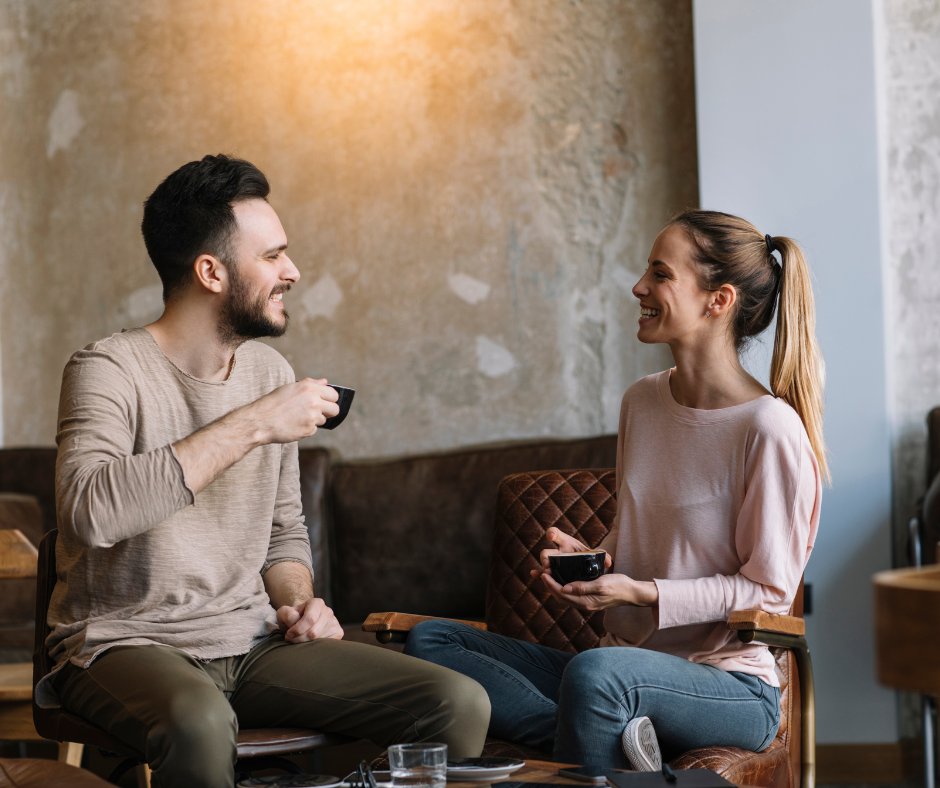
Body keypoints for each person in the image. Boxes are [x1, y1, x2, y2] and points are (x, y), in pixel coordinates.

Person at [37, 155, 490, 788]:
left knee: (457, 703)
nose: (292, 272)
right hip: (122, 643)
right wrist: (254, 422)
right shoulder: (107, 369)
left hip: (249, 643)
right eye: (273, 256)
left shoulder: (269, 374)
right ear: (211, 272)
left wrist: (301, 605)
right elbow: (88, 513)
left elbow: (281, 533)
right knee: (198, 723)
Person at [404, 210, 824, 770]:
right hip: (625, 665)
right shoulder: (643, 402)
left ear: (717, 300)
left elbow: (769, 594)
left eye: (660, 273)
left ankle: (601, 719)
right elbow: (644, 531)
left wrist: (644, 593)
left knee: (596, 676)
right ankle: (616, 733)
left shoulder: (768, 429)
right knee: (434, 643)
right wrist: (597, 563)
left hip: (727, 686)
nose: (639, 287)